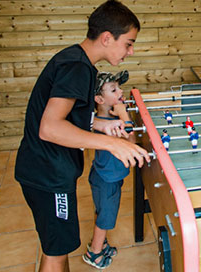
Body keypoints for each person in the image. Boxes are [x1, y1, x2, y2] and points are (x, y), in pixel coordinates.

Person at [15, 0, 150, 272]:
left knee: (58, 247)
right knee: (56, 252)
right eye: (128, 43)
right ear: (107, 37)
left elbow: (71, 118)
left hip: (45, 171)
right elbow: (50, 128)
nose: (131, 51)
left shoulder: (80, 63)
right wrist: (112, 143)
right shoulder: (77, 67)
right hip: (48, 175)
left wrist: (100, 125)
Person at [84, 70, 134, 269]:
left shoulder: (102, 120)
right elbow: (130, 140)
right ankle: (94, 253)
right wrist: (123, 113)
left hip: (104, 175)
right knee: (106, 217)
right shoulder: (107, 125)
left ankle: (100, 243)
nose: (120, 91)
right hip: (107, 179)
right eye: (113, 89)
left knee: (102, 211)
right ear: (99, 98)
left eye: (119, 87)